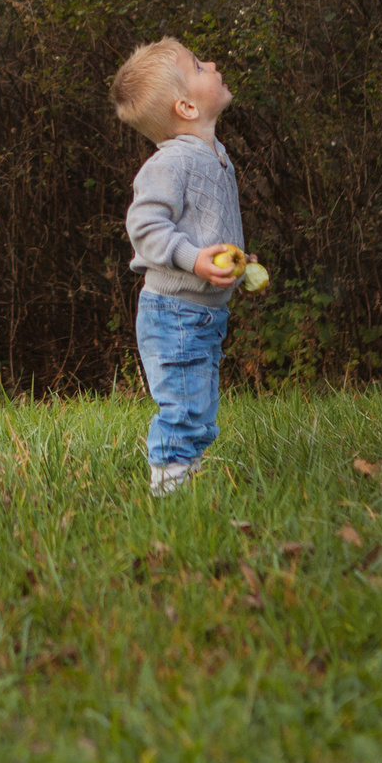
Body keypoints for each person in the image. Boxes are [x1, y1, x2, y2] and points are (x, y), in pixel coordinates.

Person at [110, 37, 251, 497]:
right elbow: (145, 226)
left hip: (204, 313)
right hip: (175, 312)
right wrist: (194, 260)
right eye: (197, 65)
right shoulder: (170, 162)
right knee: (184, 407)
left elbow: (206, 228)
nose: (211, 63)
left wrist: (235, 263)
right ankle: (169, 491)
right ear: (187, 106)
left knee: (199, 404)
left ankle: (183, 479)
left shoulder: (216, 155)